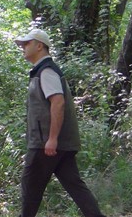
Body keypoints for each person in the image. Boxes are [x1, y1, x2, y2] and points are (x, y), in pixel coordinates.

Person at [14, 29, 106, 217]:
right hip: (57, 143)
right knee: (76, 187)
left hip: (46, 144)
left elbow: (58, 102)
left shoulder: (46, 71)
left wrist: (52, 139)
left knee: (30, 188)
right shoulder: (42, 71)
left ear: (39, 46)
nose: (23, 47)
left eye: (27, 43)